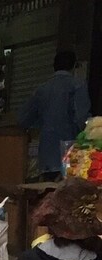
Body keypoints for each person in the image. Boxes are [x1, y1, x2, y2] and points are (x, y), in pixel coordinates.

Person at [21, 50, 92, 181]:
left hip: (46, 154)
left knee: (49, 194)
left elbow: (24, 120)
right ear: (74, 66)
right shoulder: (77, 85)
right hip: (71, 153)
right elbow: (82, 119)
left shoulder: (41, 89)